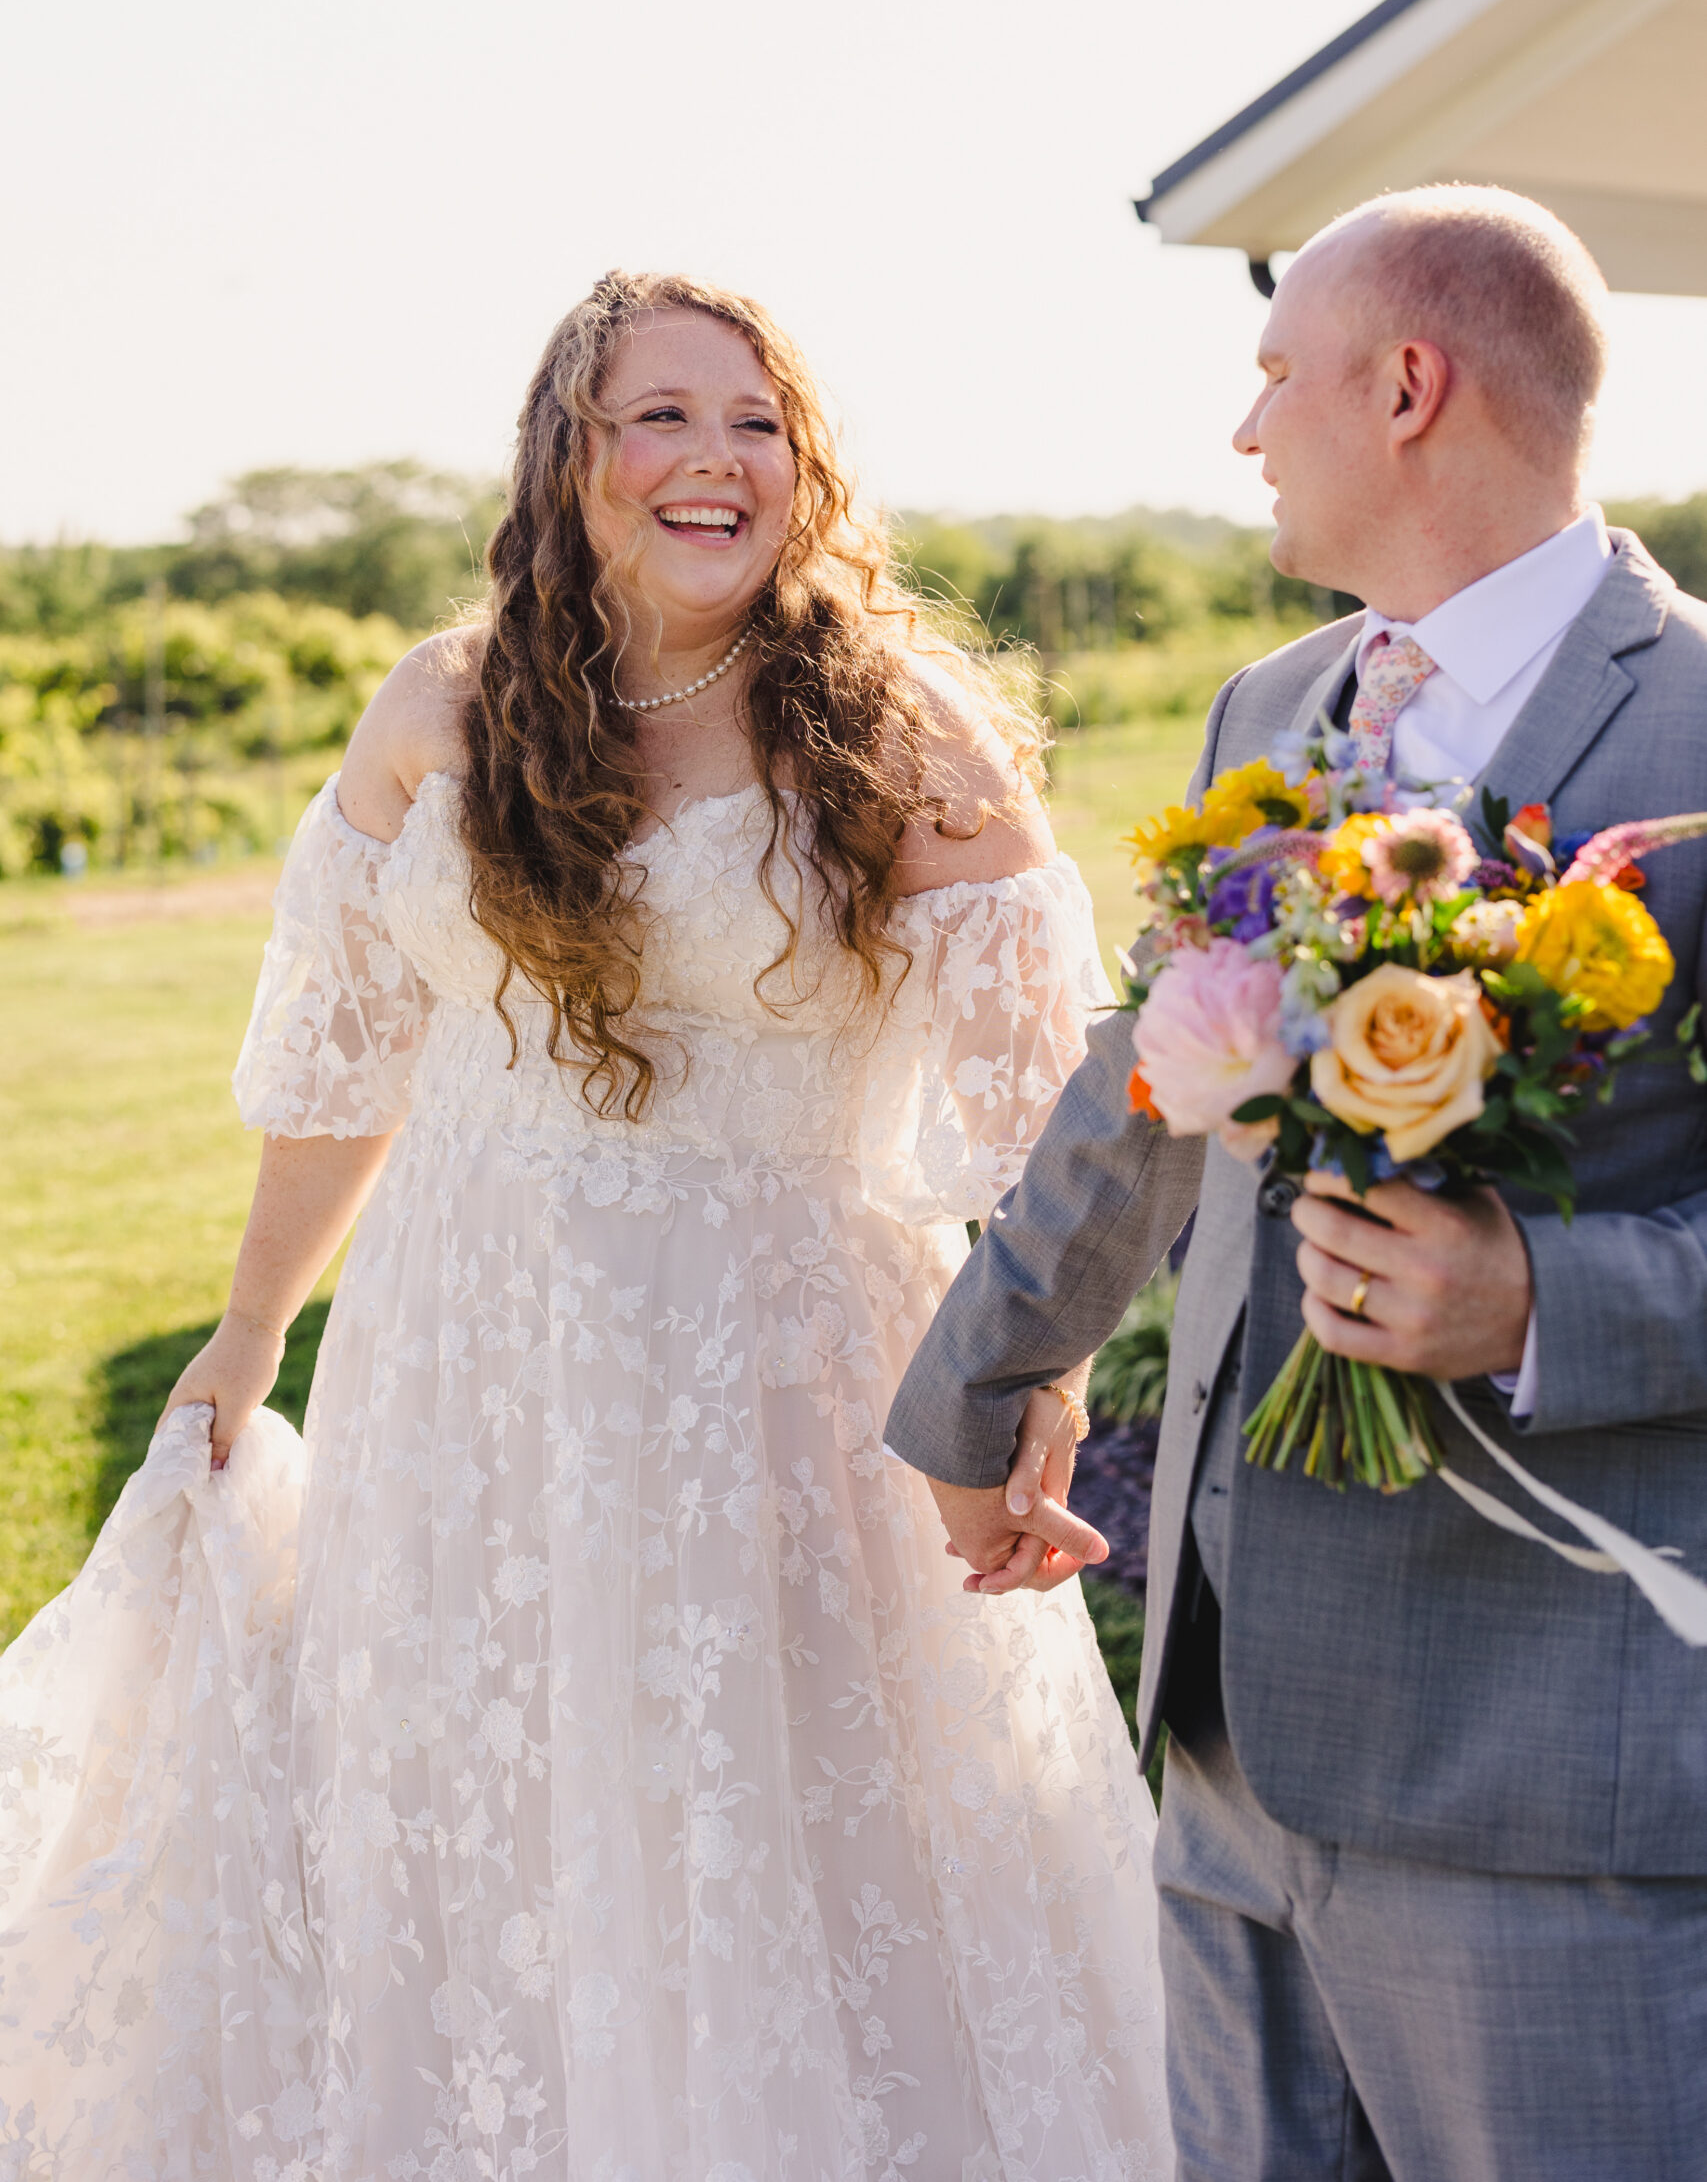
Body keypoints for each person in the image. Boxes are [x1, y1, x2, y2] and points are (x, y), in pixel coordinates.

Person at [0, 272, 1174, 2177]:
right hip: (463, 1360)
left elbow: (1044, 1125)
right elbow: (341, 1068)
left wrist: (1033, 1376)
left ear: (808, 466)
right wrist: (244, 1329)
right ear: (572, 452)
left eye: (758, 423)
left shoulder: (898, 724)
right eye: (665, 417)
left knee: (780, 1814)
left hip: (787, 1377)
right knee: (490, 1800)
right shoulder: (443, 705)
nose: (717, 461)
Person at [886, 186, 1707, 2181]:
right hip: (1232, 1728)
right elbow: (1139, 1084)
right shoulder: (1270, 709)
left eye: (1272, 377)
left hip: (1546, 1775)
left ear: (1406, 385)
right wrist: (975, 1392)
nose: (1243, 432)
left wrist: (1541, 1301)